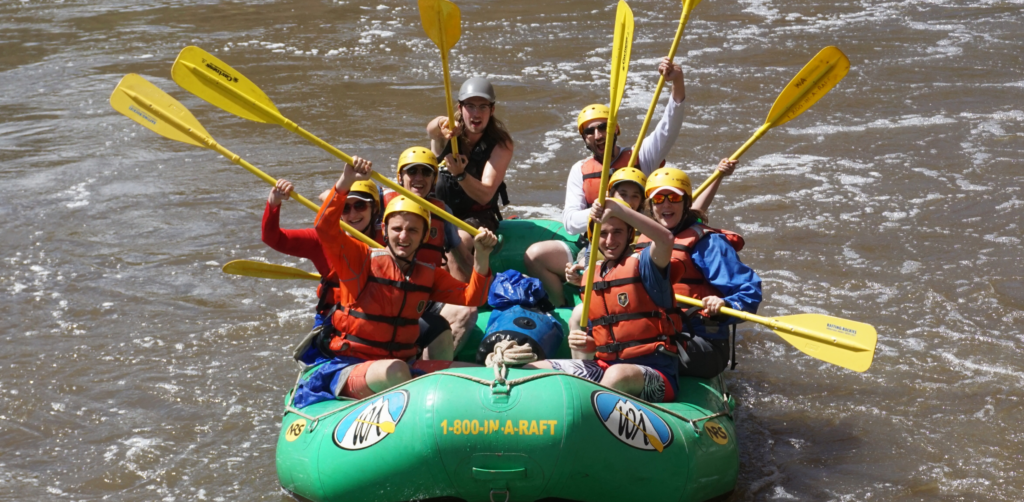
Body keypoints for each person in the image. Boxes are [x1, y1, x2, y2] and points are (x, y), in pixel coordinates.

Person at [296, 157, 497, 402]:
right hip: (351, 367)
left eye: (413, 230)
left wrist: (482, 258)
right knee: (396, 370)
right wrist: (346, 180)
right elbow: (325, 227)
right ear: (385, 230)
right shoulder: (360, 258)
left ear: (425, 236)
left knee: (485, 376)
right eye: (397, 229)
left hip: (402, 366)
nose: (404, 236)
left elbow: (472, 296)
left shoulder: (428, 274)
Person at [524, 57, 689, 306]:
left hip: (637, 243)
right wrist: (598, 210)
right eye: (589, 132)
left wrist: (676, 81)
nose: (598, 135)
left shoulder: (640, 156)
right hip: (599, 242)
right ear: (584, 139)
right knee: (534, 255)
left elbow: (669, 129)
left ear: (616, 129)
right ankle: (561, 306)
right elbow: (570, 223)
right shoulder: (580, 170)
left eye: (603, 128)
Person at [524, 198, 680, 402]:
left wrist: (619, 210)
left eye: (617, 232)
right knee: (532, 369)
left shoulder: (647, 266)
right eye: (603, 233)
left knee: (617, 375)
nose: (609, 241)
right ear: (594, 237)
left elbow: (666, 239)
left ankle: (587, 416)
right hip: (604, 368)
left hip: (656, 374)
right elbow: (602, 341)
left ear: (629, 235)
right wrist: (588, 344)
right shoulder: (592, 275)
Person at [638, 167, 762, 379]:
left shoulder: (709, 244)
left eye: (674, 198)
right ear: (650, 206)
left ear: (686, 203)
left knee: (641, 352)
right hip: (657, 332)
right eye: (658, 199)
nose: (666, 204)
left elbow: (749, 292)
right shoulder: (642, 242)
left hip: (702, 342)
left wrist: (726, 304)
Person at [381, 146, 478, 359]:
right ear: (400, 177)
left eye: (426, 172)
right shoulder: (381, 201)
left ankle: (427, 367)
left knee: (468, 311)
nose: (419, 178)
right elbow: (332, 201)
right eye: (412, 171)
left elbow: (462, 255)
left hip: (423, 294)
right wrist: (351, 177)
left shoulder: (442, 212)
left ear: (434, 179)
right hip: (385, 293)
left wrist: (485, 264)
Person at [262, 178, 382, 332]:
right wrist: (274, 202)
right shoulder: (320, 240)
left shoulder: (393, 239)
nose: (352, 214)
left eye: (360, 205)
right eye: (345, 208)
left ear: (375, 209)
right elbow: (273, 238)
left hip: (377, 322)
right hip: (333, 323)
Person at [427, 77, 514, 282]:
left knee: (457, 241)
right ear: (460, 107)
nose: (476, 114)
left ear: (492, 110)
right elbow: (431, 129)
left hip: (477, 217)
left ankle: (461, 302)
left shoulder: (501, 144)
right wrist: (442, 123)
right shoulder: (447, 132)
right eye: (470, 106)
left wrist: (461, 175)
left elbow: (485, 195)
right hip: (439, 209)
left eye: (482, 107)